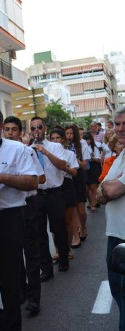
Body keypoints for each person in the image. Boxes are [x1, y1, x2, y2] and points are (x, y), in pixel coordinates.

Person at [0, 107, 37, 331]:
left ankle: (12, 325)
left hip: (8, 218)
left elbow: (32, 182)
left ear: (1, 126)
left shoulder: (17, 149)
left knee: (9, 279)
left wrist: (2, 178)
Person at [3, 116, 45, 314]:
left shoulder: (27, 151)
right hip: (10, 208)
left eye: (14, 130)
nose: (10, 133)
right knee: (13, 254)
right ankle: (20, 291)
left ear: (20, 133)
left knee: (31, 252)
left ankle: (34, 298)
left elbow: (39, 178)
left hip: (28, 204)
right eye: (7, 129)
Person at [30, 116, 71, 280]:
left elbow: (63, 166)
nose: (36, 131)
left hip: (54, 193)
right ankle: (46, 268)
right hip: (37, 194)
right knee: (39, 233)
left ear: (44, 129)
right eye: (33, 128)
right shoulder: (28, 149)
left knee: (58, 228)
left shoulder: (55, 146)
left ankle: (63, 258)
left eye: (39, 127)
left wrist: (45, 152)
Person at [97, 107, 125, 331]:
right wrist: (107, 188)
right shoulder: (120, 156)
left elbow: (111, 190)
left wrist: (107, 188)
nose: (121, 128)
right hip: (114, 235)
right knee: (119, 295)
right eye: (117, 124)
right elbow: (100, 194)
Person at [48, 129, 78, 261]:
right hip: (54, 188)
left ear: (63, 139)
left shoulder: (70, 154)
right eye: (52, 138)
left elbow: (74, 172)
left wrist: (63, 167)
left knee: (68, 221)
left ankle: (68, 248)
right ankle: (59, 250)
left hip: (66, 185)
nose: (55, 141)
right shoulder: (46, 152)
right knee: (55, 223)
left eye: (58, 138)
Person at [65, 124, 91, 245]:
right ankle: (76, 236)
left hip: (79, 176)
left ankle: (83, 227)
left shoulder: (82, 144)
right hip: (68, 177)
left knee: (81, 210)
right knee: (72, 208)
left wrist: (75, 159)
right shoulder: (63, 145)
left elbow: (85, 166)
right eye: (67, 133)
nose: (69, 136)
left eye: (71, 133)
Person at [83, 132, 101, 213]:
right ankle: (90, 202)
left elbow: (99, 160)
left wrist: (91, 157)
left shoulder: (94, 148)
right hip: (85, 168)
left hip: (93, 168)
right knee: (86, 189)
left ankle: (93, 204)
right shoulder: (81, 148)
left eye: (88, 139)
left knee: (93, 188)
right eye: (85, 139)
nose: (87, 141)